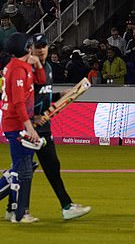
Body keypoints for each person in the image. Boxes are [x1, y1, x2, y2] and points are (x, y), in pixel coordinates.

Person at [0, 32, 46, 224]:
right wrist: (29, 127)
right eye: (31, 45)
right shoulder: (18, 70)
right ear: (26, 48)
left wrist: (38, 63)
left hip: (18, 122)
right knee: (22, 169)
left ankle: (12, 209)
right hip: (17, 124)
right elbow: (18, 103)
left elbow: (41, 81)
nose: (34, 48)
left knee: (24, 166)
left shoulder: (20, 66)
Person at [29, 33, 91, 221]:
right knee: (22, 169)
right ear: (31, 48)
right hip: (31, 126)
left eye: (44, 46)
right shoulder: (27, 70)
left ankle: (66, 205)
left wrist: (62, 95)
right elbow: (23, 98)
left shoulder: (47, 68)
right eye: (37, 47)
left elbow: (44, 95)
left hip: (44, 126)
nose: (41, 50)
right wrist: (32, 117)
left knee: (51, 166)